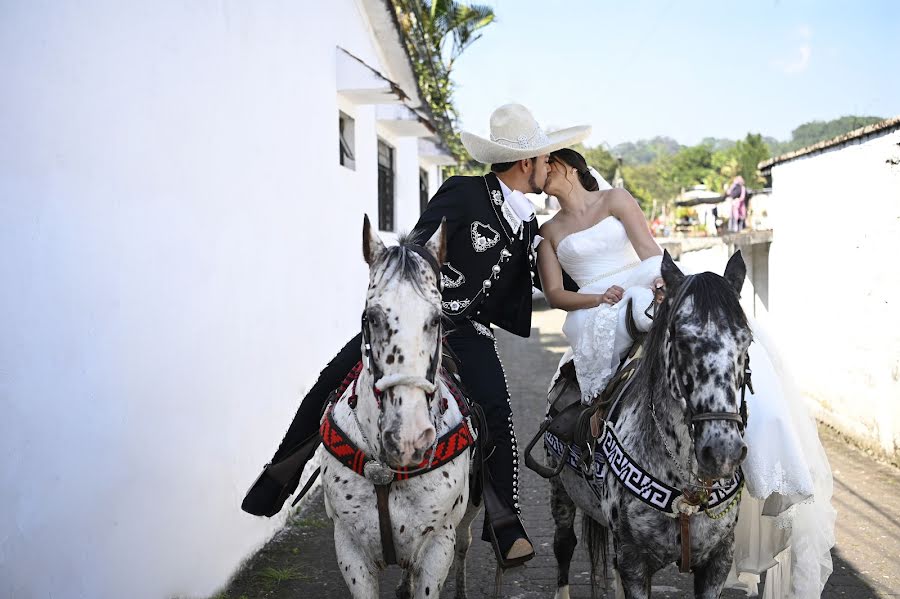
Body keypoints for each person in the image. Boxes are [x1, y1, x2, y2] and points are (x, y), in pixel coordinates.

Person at [241, 103, 591, 568]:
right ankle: (280, 474)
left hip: (470, 333)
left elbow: (543, 279)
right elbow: (420, 245)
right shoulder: (462, 191)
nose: (549, 166)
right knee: (333, 378)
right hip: (421, 319)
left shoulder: (527, 223)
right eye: (545, 159)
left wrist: (610, 283)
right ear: (525, 163)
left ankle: (504, 522)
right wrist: (417, 305)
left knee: (497, 407)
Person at [536, 148, 835, 597]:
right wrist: (598, 300)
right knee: (627, 322)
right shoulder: (548, 232)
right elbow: (556, 295)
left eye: (546, 165)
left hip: (640, 285)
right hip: (595, 306)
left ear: (567, 167)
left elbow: (652, 255)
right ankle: (591, 442)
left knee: (706, 344)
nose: (541, 174)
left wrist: (660, 288)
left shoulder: (616, 200)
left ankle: (759, 451)